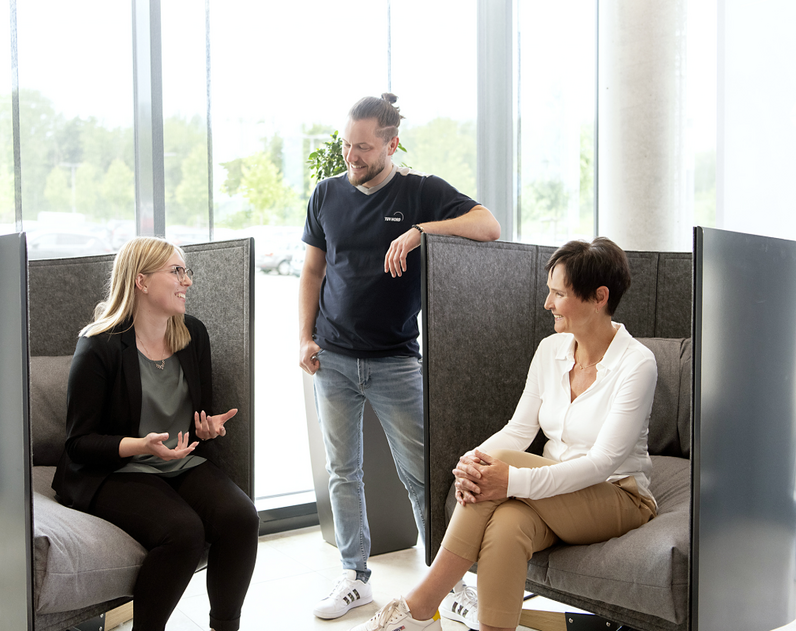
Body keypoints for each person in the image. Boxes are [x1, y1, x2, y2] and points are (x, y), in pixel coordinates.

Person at [349, 237, 659, 631]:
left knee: (504, 468)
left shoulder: (637, 363)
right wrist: (472, 461)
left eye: (558, 293)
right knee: (507, 524)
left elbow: (602, 463)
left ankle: (420, 607)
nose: (547, 303)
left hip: (618, 496)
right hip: (557, 492)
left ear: (599, 297)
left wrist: (510, 478)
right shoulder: (551, 349)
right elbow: (518, 430)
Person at [299, 92, 501, 620]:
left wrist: (419, 232)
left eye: (363, 147)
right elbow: (314, 271)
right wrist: (304, 336)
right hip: (334, 360)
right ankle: (354, 577)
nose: (352, 156)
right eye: (347, 145)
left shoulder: (421, 192)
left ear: (391, 143)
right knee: (344, 472)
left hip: (394, 362)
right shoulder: (325, 195)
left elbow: (487, 226)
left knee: (422, 475)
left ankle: (446, 583)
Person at [51, 237, 259, 631]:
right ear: (141, 282)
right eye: (176, 272)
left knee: (241, 518)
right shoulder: (99, 345)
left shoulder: (192, 335)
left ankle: (226, 627)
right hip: (116, 469)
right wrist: (140, 445)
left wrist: (207, 427)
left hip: (181, 460)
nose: (187, 281)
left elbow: (198, 410)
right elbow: (78, 443)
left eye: (186, 271)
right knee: (184, 533)